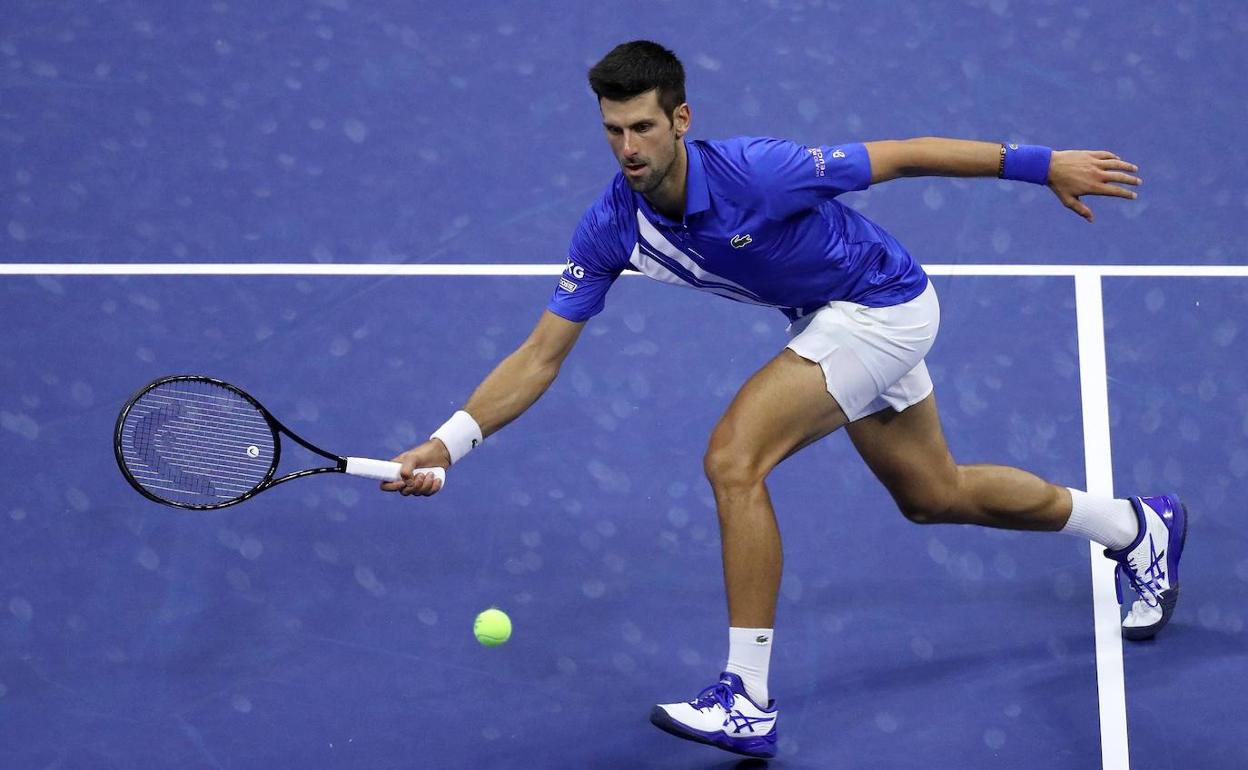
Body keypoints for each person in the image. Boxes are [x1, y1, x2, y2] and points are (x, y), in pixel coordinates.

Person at [380, 40, 1186, 759]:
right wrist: (449, 442)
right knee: (935, 495)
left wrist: (1038, 163)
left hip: (881, 307)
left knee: (734, 459)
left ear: (681, 119)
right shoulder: (610, 227)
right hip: (835, 317)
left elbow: (900, 155)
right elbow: (539, 354)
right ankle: (1134, 527)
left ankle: (746, 698)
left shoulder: (760, 171)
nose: (628, 149)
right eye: (613, 131)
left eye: (644, 129)